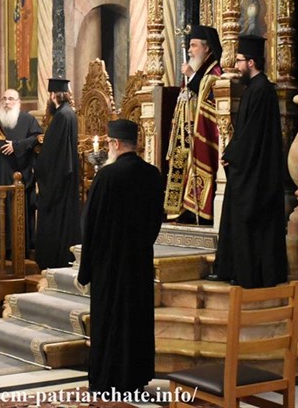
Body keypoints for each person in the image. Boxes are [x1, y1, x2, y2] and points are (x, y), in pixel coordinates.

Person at [76, 119, 164, 395]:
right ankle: (135, 378)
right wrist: (141, 245)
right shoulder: (152, 174)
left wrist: (86, 268)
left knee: (110, 321)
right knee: (136, 319)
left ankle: (107, 380)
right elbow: (156, 220)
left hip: (109, 265)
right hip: (138, 262)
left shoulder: (107, 176)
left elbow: (90, 224)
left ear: (114, 143)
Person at [208, 35, 288, 288]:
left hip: (256, 172)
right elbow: (245, 132)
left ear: (251, 62)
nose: (236, 66)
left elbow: (253, 134)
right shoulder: (255, 88)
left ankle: (249, 274)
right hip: (249, 165)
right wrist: (232, 154)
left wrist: (232, 156)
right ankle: (234, 269)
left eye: (240, 61)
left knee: (248, 218)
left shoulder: (261, 90)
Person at [164, 25, 222, 224]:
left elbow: (212, 95)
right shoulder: (195, 69)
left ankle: (198, 209)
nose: (189, 50)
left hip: (200, 133)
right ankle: (180, 208)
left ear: (207, 48)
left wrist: (193, 77)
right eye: (189, 46)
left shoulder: (214, 70)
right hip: (185, 132)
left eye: (194, 45)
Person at [34, 78, 81, 270]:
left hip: (57, 179)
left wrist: (38, 166)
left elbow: (52, 152)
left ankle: (53, 259)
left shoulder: (61, 116)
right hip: (67, 176)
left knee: (54, 220)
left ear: (53, 95)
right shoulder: (70, 114)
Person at [0, 89, 43, 258]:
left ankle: (21, 249)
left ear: (18, 102)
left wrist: (16, 146)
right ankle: (0, 249)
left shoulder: (28, 119)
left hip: (21, 172)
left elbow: (37, 138)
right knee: (0, 209)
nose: (7, 102)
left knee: (19, 210)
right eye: (4, 99)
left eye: (11, 99)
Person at [14, 0, 33, 95]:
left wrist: (23, 14)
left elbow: (29, 12)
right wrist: (18, 12)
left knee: (25, 54)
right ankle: (20, 81)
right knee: (19, 55)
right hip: (19, 31)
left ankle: (27, 80)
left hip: (26, 30)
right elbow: (15, 14)